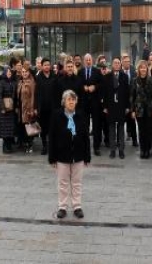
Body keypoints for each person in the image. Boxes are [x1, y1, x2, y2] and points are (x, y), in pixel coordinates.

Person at [49, 90, 90, 219]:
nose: (71, 102)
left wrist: (87, 156)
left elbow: (85, 137)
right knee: (63, 182)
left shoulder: (81, 115)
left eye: (73, 100)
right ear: (64, 102)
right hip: (62, 155)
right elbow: (52, 137)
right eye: (69, 100)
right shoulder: (57, 115)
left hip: (78, 155)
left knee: (77, 182)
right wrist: (52, 157)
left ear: (76, 101)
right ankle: (62, 207)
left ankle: (77, 206)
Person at [102, 57, 130, 159]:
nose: (117, 64)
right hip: (111, 105)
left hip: (121, 105)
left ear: (121, 64)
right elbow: (104, 93)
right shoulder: (107, 77)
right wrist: (105, 106)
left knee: (121, 128)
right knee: (112, 128)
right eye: (115, 63)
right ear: (112, 65)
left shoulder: (124, 77)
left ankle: (121, 150)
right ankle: (113, 150)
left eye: (118, 63)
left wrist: (127, 106)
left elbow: (127, 93)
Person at [130, 60, 152, 159]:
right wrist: (132, 110)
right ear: (139, 69)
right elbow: (132, 97)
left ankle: (147, 150)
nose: (143, 69)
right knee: (141, 131)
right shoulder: (135, 80)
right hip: (139, 109)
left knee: (148, 131)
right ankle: (142, 150)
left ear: (147, 69)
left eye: (145, 68)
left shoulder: (151, 80)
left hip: (150, 109)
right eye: (141, 68)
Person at [78, 54, 102, 155]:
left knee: (96, 125)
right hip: (84, 103)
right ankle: (84, 146)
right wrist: (83, 87)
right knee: (84, 125)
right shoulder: (80, 72)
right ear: (84, 61)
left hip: (95, 102)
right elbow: (77, 83)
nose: (88, 61)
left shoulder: (97, 71)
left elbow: (102, 83)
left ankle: (96, 147)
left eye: (90, 60)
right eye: (86, 60)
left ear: (92, 61)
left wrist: (95, 87)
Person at [35, 58, 56, 155]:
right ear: (42, 66)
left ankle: (52, 146)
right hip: (42, 108)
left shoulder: (54, 76)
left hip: (53, 107)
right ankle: (44, 146)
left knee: (52, 128)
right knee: (43, 128)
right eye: (45, 65)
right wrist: (36, 107)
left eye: (48, 64)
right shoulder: (38, 78)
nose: (47, 66)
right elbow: (36, 94)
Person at [0, 67, 17, 154]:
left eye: (10, 72)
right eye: (8, 72)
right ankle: (5, 146)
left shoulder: (13, 82)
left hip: (11, 109)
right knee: (4, 128)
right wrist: (2, 107)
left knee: (10, 128)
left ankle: (9, 145)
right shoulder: (1, 82)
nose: (9, 73)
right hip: (4, 109)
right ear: (4, 73)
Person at [16, 66, 37, 153]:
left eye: (26, 72)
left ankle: (30, 144)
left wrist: (32, 109)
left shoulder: (32, 83)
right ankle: (25, 143)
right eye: (23, 72)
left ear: (29, 73)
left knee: (29, 126)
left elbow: (33, 97)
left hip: (28, 107)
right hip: (21, 107)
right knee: (23, 126)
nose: (24, 73)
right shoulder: (20, 82)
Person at [121, 55, 138, 147]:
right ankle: (120, 141)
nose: (127, 63)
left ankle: (135, 140)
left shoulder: (133, 72)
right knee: (120, 122)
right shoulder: (119, 72)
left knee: (132, 121)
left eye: (128, 61)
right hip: (122, 101)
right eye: (125, 61)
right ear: (122, 63)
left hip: (131, 100)